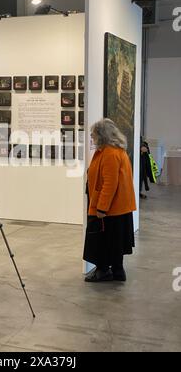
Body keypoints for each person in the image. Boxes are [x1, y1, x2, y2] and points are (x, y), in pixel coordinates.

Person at [83, 119, 136, 283]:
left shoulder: (110, 154)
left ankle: (103, 271)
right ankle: (117, 271)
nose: (92, 137)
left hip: (110, 209)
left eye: (94, 134)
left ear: (102, 135)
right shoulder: (113, 151)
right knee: (115, 241)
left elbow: (110, 183)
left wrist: (102, 208)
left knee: (104, 241)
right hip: (118, 208)